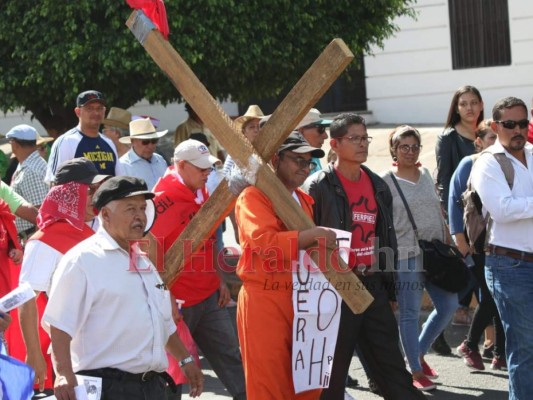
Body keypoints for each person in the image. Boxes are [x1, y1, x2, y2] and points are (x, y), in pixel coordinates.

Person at [42, 176, 204, 399]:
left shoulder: (143, 261)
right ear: (106, 215)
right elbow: (59, 325)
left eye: (142, 208)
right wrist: (63, 374)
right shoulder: (82, 260)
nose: (140, 216)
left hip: (152, 385)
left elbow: (162, 322)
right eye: (130, 209)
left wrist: (185, 360)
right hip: (106, 387)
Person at [303, 113, 426, 400]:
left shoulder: (377, 184)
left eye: (365, 137)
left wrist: (389, 284)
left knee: (392, 367)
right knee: (331, 373)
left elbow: (386, 237)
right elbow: (308, 241)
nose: (362, 144)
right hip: (334, 287)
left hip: (371, 285)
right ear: (334, 143)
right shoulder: (318, 185)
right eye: (354, 138)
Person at [235, 133, 335, 399]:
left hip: (304, 298)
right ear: (276, 159)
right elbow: (264, 244)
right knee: (268, 382)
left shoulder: (303, 199)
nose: (304, 166)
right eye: (297, 159)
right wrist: (311, 236)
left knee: (308, 383)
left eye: (309, 162)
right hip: (266, 298)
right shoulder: (253, 196)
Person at [151, 139, 246, 400]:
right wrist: (165, 295)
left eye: (209, 168)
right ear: (181, 166)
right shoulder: (162, 201)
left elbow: (208, 240)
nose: (207, 173)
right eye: (201, 168)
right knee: (173, 374)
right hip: (178, 304)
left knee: (232, 358)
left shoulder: (199, 190)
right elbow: (149, 254)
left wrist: (219, 280)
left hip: (209, 296)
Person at [18, 158, 109, 394]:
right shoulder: (44, 241)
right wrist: (34, 353)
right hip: (77, 351)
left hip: (114, 343)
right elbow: (27, 300)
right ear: (67, 194)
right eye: (89, 190)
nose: (95, 196)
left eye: (97, 189)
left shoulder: (107, 226)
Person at [381, 125, 458, 391]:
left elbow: (437, 208)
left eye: (415, 147)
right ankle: (413, 370)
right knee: (410, 313)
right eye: (404, 147)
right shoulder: (385, 181)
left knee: (449, 304)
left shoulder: (425, 173)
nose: (410, 152)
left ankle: (418, 353)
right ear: (394, 149)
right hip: (405, 255)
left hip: (435, 253)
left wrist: (446, 234)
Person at [471, 96, 533, 399]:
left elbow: (515, 207)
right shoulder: (488, 162)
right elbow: (503, 210)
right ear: (495, 126)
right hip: (509, 266)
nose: (518, 129)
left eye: (523, 123)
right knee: (525, 346)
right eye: (510, 124)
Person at [448, 120, 506, 371]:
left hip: (502, 242)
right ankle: (470, 344)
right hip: (476, 244)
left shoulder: (506, 162)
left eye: (497, 137)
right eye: (490, 138)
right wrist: (459, 239)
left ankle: (499, 354)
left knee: (499, 297)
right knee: (494, 296)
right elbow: (453, 200)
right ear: (479, 141)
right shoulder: (469, 163)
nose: (496, 142)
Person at [434, 85, 484, 352]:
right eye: (463, 103)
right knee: (465, 274)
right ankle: (440, 332)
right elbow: (443, 181)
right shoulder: (448, 138)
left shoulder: (488, 132)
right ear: (456, 108)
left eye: (474, 102)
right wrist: (449, 223)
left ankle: (485, 340)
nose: (469, 108)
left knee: (479, 275)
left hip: (486, 218)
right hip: (460, 218)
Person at [45, 90, 122, 183]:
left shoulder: (109, 143)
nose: (96, 113)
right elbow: (54, 182)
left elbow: (118, 179)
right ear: (78, 112)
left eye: (99, 108)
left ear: (104, 111)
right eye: (90, 108)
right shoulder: (66, 141)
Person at [222, 105, 265, 243]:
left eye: (259, 126)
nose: (256, 130)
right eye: (252, 127)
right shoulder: (235, 153)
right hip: (243, 202)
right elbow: (226, 179)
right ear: (244, 131)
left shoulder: (272, 150)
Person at [5, 125, 49, 242]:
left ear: (14, 144)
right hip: (32, 236)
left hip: (34, 237)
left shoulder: (30, 171)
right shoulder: (32, 164)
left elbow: (41, 214)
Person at [118, 118, 169, 190]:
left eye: (154, 141)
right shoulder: (123, 165)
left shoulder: (160, 160)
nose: (150, 146)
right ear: (133, 142)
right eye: (145, 142)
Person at [295, 108, 331, 174]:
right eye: (321, 129)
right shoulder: (289, 162)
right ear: (301, 131)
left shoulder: (313, 155)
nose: (326, 136)